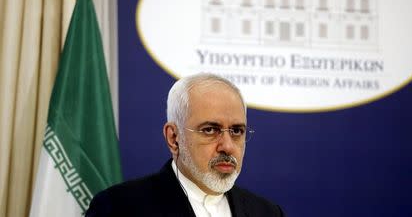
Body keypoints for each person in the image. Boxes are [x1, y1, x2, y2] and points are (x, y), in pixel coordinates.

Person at [86, 73, 284, 216]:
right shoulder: (118, 208)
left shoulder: (267, 212)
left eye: (237, 131)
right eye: (210, 130)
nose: (228, 146)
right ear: (173, 138)